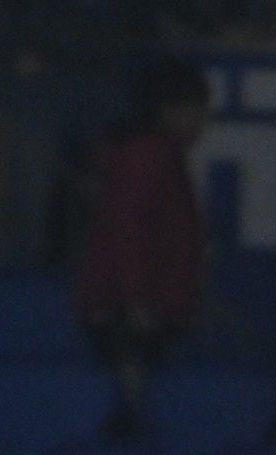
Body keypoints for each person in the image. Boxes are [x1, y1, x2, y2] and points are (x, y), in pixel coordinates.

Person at [76, 60, 215, 380]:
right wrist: (136, 300)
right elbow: (127, 230)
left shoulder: (161, 156)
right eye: (196, 112)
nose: (202, 122)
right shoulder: (148, 158)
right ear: (168, 111)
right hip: (132, 311)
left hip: (148, 305)